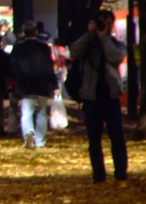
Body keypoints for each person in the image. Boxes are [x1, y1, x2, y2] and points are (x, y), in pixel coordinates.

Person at [69, 9, 129, 183]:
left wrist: (104, 38)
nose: (105, 25)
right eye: (101, 21)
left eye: (108, 22)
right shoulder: (88, 44)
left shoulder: (116, 44)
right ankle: (99, 174)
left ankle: (121, 173)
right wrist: (89, 34)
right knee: (94, 140)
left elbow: (115, 57)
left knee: (117, 137)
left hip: (111, 97)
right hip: (91, 98)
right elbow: (74, 52)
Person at [10, 20, 57, 149]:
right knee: (42, 112)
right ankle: (40, 141)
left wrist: (17, 78)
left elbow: (12, 66)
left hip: (25, 84)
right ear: (36, 32)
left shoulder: (18, 48)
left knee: (26, 112)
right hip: (42, 83)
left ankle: (29, 133)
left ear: (24, 33)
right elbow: (49, 68)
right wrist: (54, 85)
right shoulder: (44, 48)